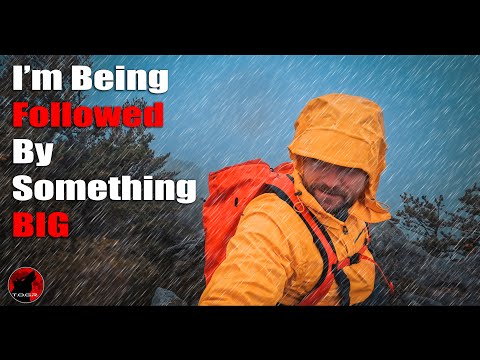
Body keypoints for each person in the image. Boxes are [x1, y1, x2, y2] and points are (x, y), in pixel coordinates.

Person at [199, 93, 392, 305]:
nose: (331, 182)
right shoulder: (271, 224)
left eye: (349, 169)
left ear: (369, 176)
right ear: (302, 160)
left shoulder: (356, 205)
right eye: (320, 162)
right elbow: (238, 293)